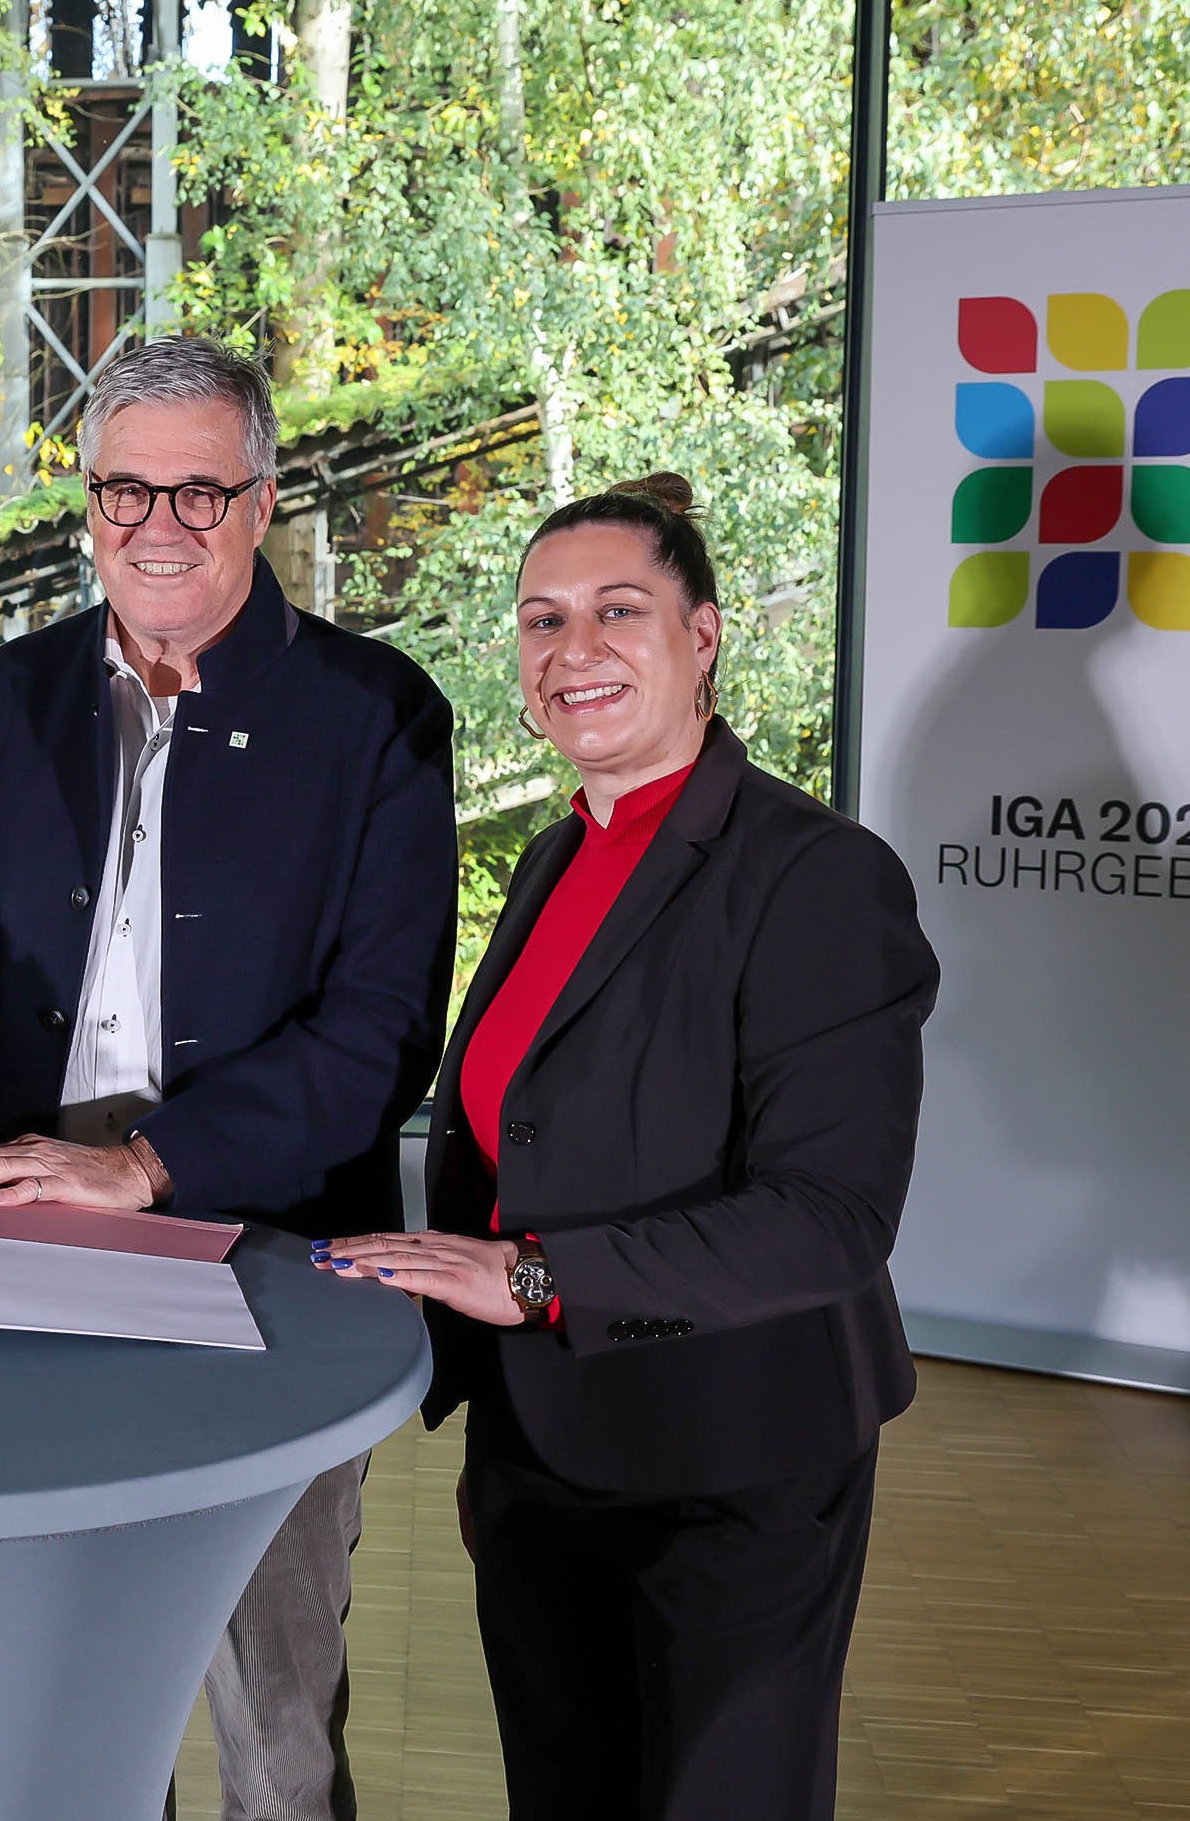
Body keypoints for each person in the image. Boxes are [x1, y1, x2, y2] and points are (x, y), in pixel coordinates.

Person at [0, 335, 458, 1821]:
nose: (156, 526)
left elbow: (380, 1038)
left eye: (198, 494)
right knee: (60, 1708)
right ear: (87, 500)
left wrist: (146, 1168)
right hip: (19, 1241)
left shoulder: (378, 719)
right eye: (123, 491)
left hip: (266, 1247)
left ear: (263, 500)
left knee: (275, 1730)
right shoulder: (6, 698)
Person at [315, 474, 938, 1821]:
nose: (572, 650)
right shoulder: (550, 860)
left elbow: (830, 1218)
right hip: (545, 1453)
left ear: (703, 636)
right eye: (542, 622)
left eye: (617, 611)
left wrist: (529, 1278)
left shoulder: (816, 874)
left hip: (734, 1463)